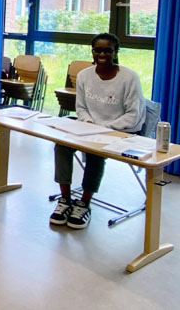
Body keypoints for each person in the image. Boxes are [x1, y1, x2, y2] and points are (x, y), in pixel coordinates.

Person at [50, 32, 146, 229]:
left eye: (108, 51)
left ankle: (84, 203)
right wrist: (88, 123)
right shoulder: (85, 75)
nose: (102, 55)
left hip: (120, 132)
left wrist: (104, 129)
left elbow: (133, 115)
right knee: (62, 145)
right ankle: (66, 199)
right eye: (98, 50)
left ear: (115, 52)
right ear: (92, 52)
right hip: (89, 128)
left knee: (95, 153)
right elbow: (81, 108)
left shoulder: (129, 78)